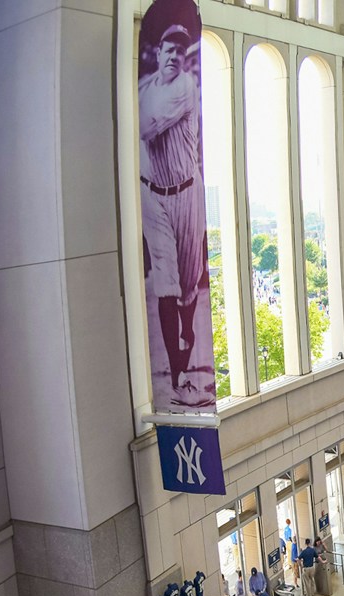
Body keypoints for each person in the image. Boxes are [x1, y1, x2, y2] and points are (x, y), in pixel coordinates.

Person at [139, 18, 206, 399]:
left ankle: (187, 336)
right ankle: (178, 372)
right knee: (166, 281)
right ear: (159, 54)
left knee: (188, 285)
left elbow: (146, 127)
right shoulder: (147, 88)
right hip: (153, 195)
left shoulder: (185, 86)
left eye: (181, 51)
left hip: (186, 192)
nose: (175, 55)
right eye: (170, 49)